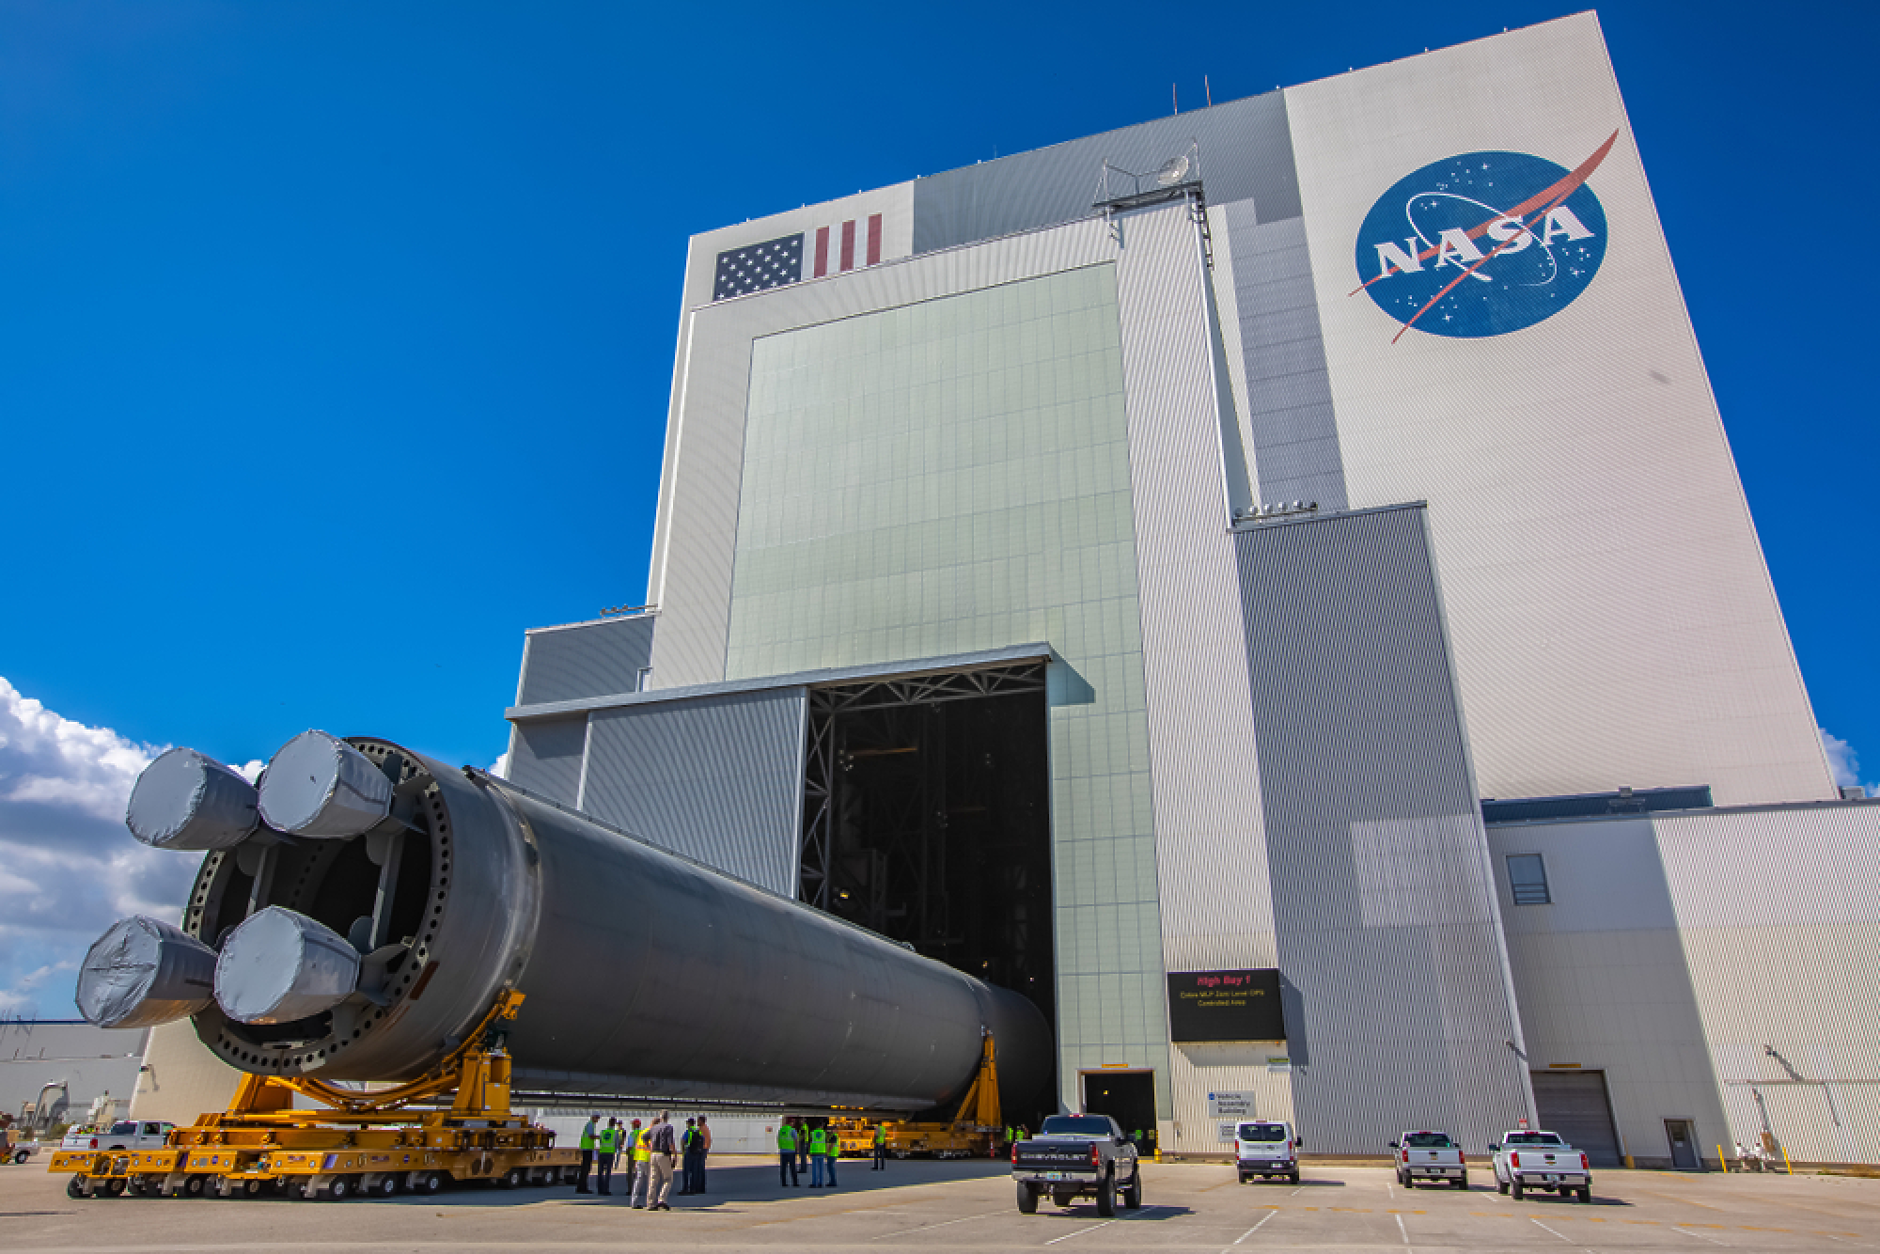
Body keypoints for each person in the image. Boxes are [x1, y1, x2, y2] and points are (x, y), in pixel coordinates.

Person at [647, 1111, 680, 1210]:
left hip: (653, 1154)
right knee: (668, 1178)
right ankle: (662, 1199)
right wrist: (675, 1154)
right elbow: (670, 1142)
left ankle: (650, 1203)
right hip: (663, 1154)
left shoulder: (654, 1128)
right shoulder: (668, 1128)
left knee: (653, 1179)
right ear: (668, 1117)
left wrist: (650, 1147)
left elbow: (645, 1137)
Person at [630, 1117, 655, 1207]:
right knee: (651, 1181)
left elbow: (637, 1147)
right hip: (648, 1159)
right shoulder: (652, 1133)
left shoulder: (641, 1132)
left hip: (639, 1158)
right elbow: (652, 1147)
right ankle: (650, 1202)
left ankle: (634, 1202)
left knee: (638, 1181)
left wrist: (635, 1160)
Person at [576, 1113, 599, 1194]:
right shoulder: (590, 1125)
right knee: (585, 1168)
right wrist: (600, 1137)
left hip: (587, 1148)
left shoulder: (591, 1125)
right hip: (587, 1149)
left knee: (585, 1168)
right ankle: (582, 1187)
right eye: (597, 1118)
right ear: (593, 1117)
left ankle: (581, 1187)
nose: (597, 1120)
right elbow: (591, 1136)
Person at [596, 1119, 619, 1195]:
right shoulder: (615, 1132)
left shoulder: (602, 1132)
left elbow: (600, 1142)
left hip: (602, 1152)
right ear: (614, 1124)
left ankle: (600, 1189)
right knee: (608, 1172)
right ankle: (606, 1189)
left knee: (600, 1171)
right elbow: (617, 1143)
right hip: (610, 1153)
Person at [677, 1118, 700, 1195]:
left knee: (686, 1172)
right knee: (694, 1172)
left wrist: (683, 1151)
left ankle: (685, 1188)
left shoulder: (688, 1131)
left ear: (689, 1123)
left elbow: (683, 1141)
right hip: (696, 1153)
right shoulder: (698, 1131)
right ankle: (693, 1188)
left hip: (689, 1151)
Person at [692, 1114, 712, 1194]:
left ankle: (699, 1187)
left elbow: (697, 1139)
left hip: (701, 1149)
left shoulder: (701, 1129)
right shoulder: (706, 1128)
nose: (697, 1122)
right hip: (704, 1149)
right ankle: (701, 1187)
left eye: (698, 1120)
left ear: (701, 1121)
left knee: (699, 1169)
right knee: (701, 1168)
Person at [777, 1118, 800, 1187]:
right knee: (792, 1168)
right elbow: (796, 1140)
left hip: (783, 1151)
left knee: (783, 1168)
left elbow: (778, 1139)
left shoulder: (781, 1130)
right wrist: (797, 1149)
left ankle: (783, 1183)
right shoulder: (792, 1130)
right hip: (791, 1151)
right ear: (791, 1123)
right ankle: (795, 1182)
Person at [808, 1120, 827, 1187]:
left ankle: (814, 1183)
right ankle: (821, 1183)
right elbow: (826, 1143)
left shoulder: (812, 1133)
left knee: (814, 1169)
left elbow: (810, 1143)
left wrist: (809, 1152)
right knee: (821, 1169)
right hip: (822, 1152)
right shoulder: (824, 1133)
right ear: (821, 1126)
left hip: (814, 1152)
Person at [822, 1120, 840, 1188]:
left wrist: (828, 1153)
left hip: (832, 1154)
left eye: (832, 1129)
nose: (831, 1130)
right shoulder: (834, 1136)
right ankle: (832, 1181)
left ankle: (833, 1181)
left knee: (830, 1168)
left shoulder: (834, 1136)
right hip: (833, 1154)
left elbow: (831, 1145)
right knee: (830, 1168)